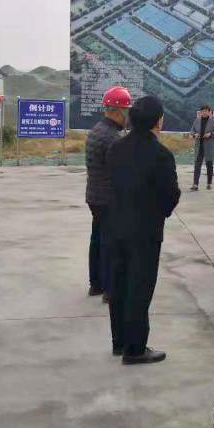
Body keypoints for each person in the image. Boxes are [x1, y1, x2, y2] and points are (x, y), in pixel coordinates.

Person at [105, 95, 181, 364]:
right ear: (158, 121)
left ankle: (119, 342)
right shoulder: (161, 154)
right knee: (139, 286)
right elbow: (170, 195)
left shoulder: (116, 148)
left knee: (119, 284)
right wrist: (160, 213)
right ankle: (135, 349)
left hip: (115, 226)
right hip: (145, 231)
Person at [85, 86, 130, 301]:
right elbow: (120, 172)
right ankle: (110, 290)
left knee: (97, 239)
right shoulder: (113, 137)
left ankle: (96, 284)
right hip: (108, 198)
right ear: (118, 112)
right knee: (110, 245)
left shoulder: (96, 129)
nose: (128, 117)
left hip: (95, 195)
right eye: (127, 111)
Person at [189, 105, 214, 191]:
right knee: (197, 165)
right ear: (200, 112)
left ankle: (209, 183)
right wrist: (194, 134)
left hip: (209, 146)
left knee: (209, 165)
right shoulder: (197, 120)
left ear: (210, 112)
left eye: (206, 111)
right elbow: (192, 131)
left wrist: (210, 134)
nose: (204, 113)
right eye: (203, 111)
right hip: (199, 146)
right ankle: (195, 184)